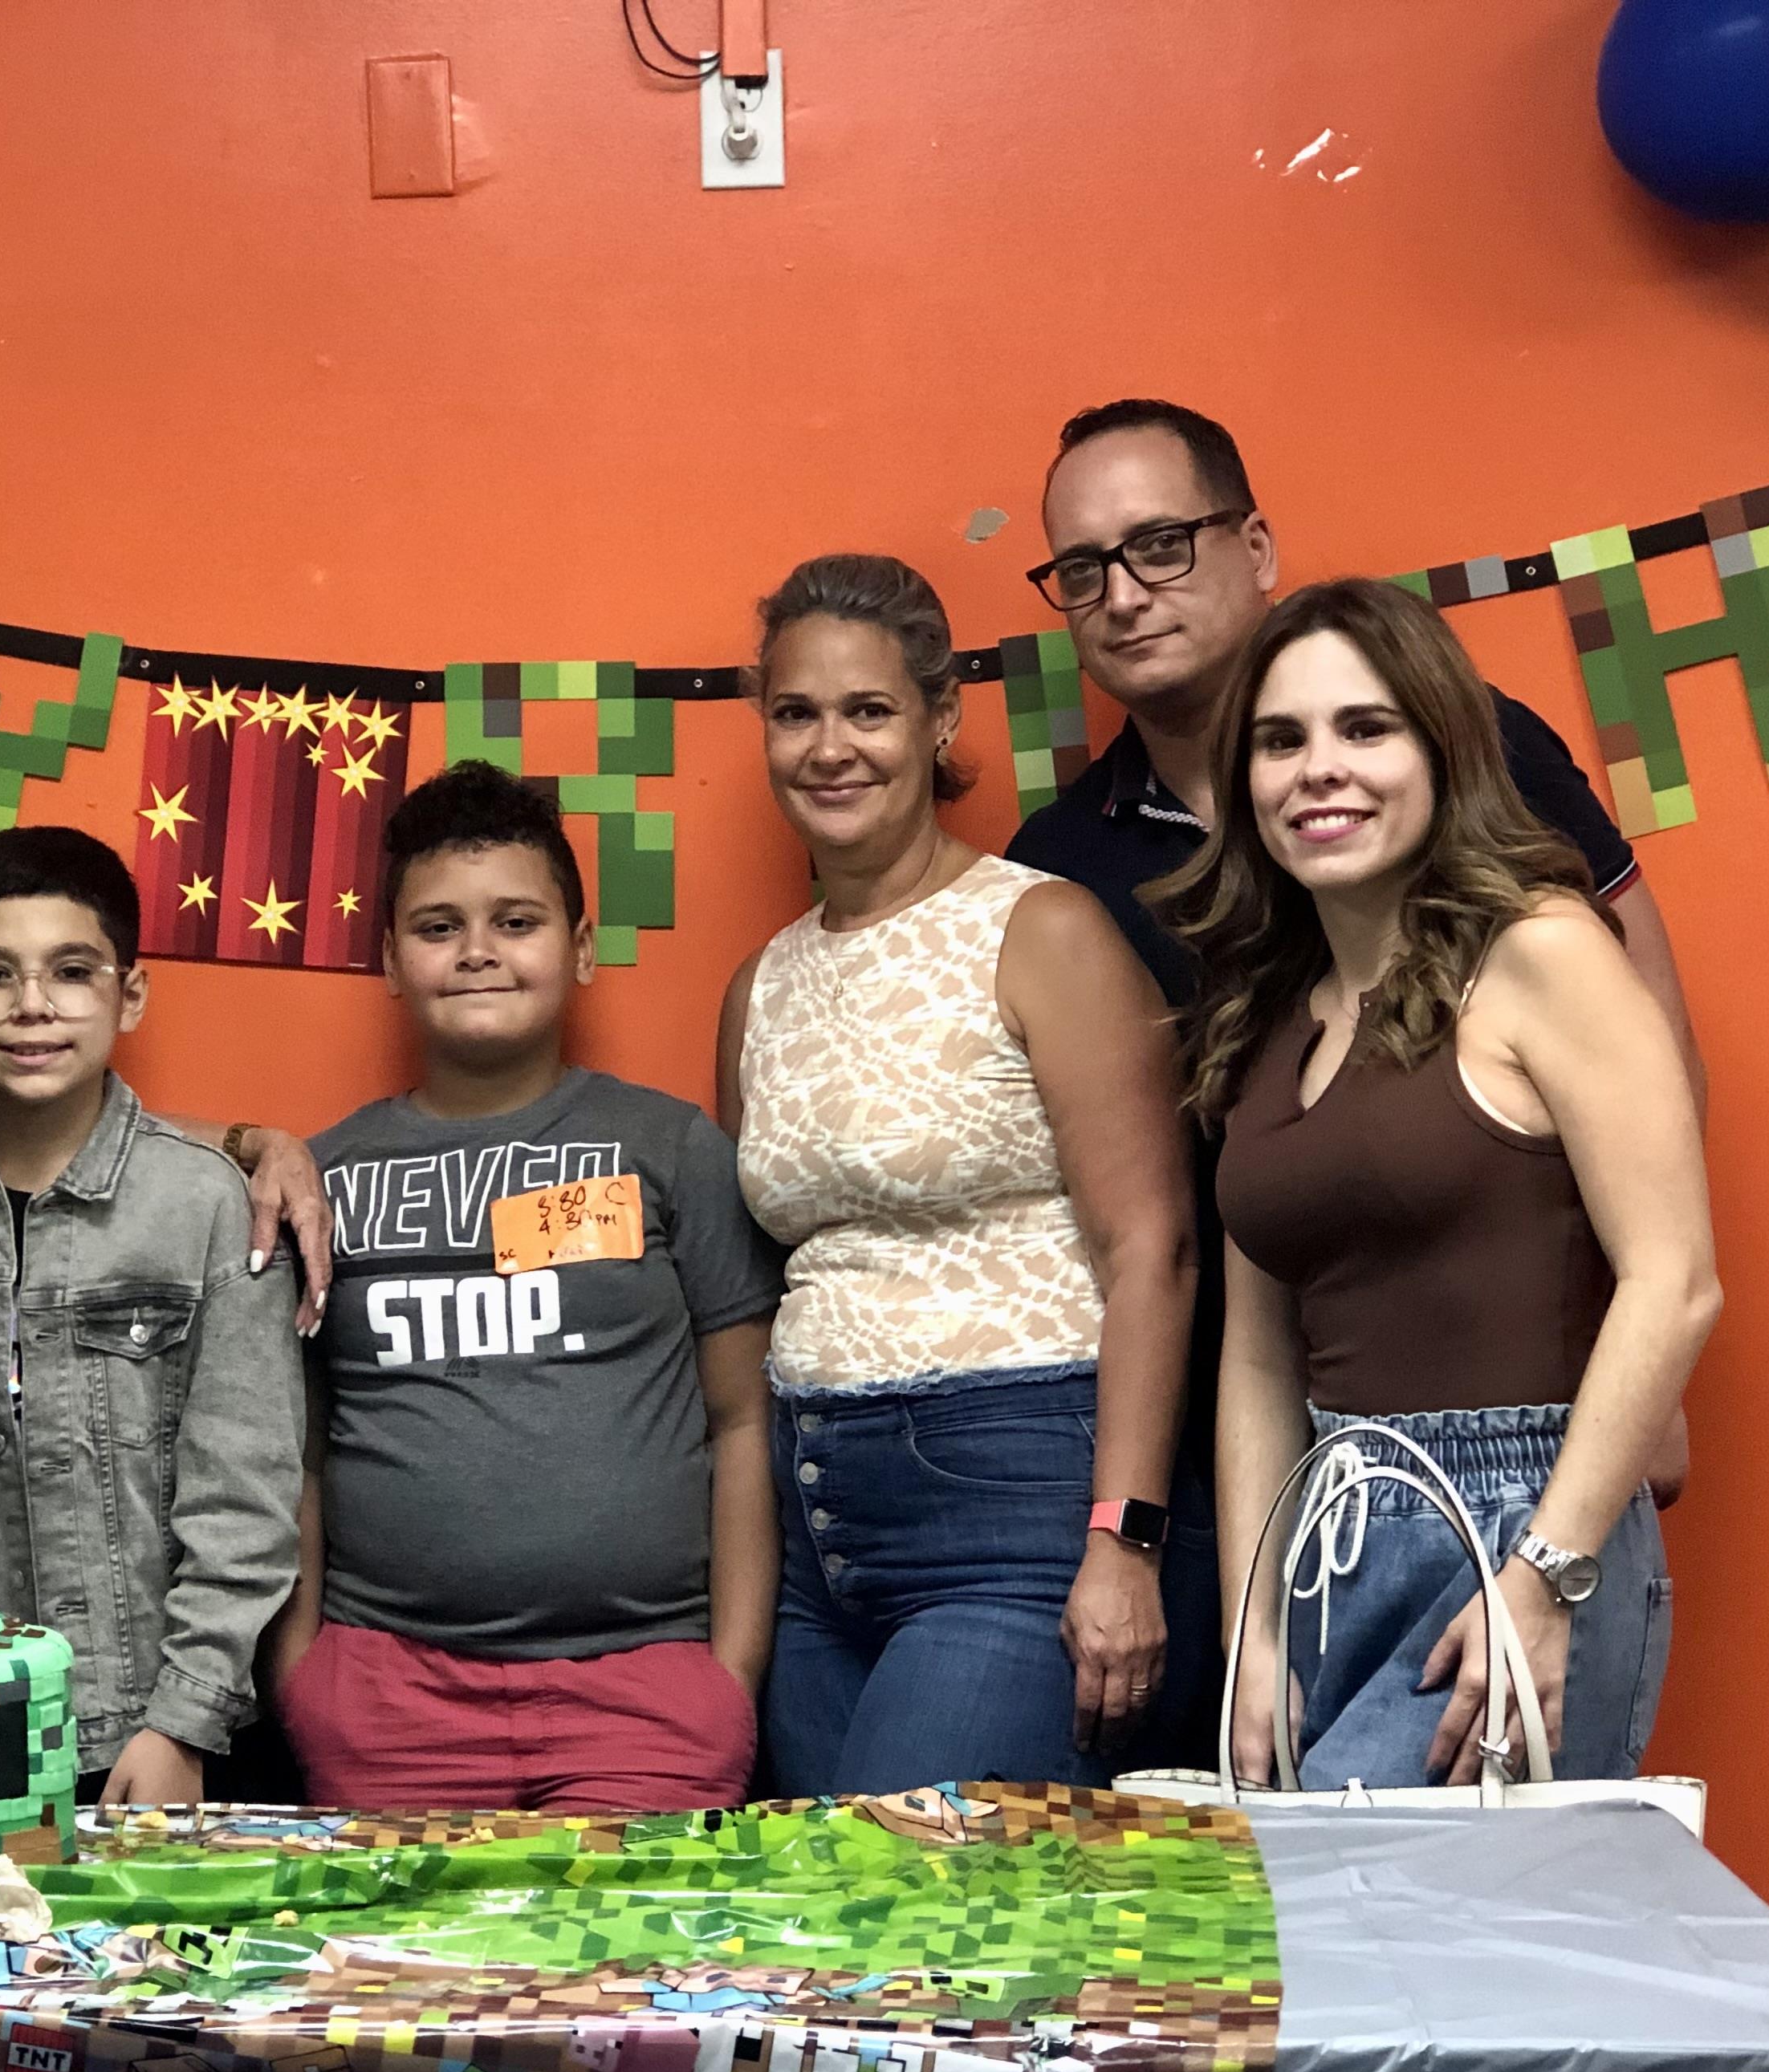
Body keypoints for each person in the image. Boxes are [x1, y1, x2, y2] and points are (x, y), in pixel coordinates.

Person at [1006, 399, 1703, 1569]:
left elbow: (1641, 1024)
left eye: (1160, 544)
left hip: (1518, 1421)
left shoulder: (1477, 742)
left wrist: (1645, 1372)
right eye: (1082, 569)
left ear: (1256, 546)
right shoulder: (1057, 868)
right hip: (1238, 1437)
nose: (1124, 594)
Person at [1152, 578, 1716, 1786]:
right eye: (1281, 739)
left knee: (1461, 1951)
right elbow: (1257, 1355)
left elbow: (1672, 1280)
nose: (1320, 769)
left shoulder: (1544, 951)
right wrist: (1249, 1624)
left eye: (1367, 728)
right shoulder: (1262, 1016)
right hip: (1325, 1531)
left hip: (1524, 1516)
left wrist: (1548, 1574)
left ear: (1443, 744)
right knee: (1336, 1946)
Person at [721, 554, 1202, 1797]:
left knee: (918, 1928)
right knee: (825, 1937)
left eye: (869, 710)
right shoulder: (758, 987)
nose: (831, 747)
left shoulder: (1040, 928)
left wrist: (1126, 1541)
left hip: (1014, 1503)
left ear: (940, 723)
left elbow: (1156, 1246)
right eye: (797, 713)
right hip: (813, 1527)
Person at [269, 763, 783, 1812]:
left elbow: (742, 1419)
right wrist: (301, 1674)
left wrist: (726, 1673)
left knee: (631, 1981)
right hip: (385, 1701)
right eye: (438, 926)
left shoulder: (672, 1148)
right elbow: (299, 1450)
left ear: (580, 947)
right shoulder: (322, 1178)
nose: (477, 952)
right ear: (391, 963)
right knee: (398, 1981)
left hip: (647, 1693)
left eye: (516, 920)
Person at [0, 827, 304, 1808]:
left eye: (72, 971)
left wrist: (183, 1719)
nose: (33, 1005)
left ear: (131, 992)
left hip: (163, 1732)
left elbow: (244, 1493)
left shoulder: (207, 1204)